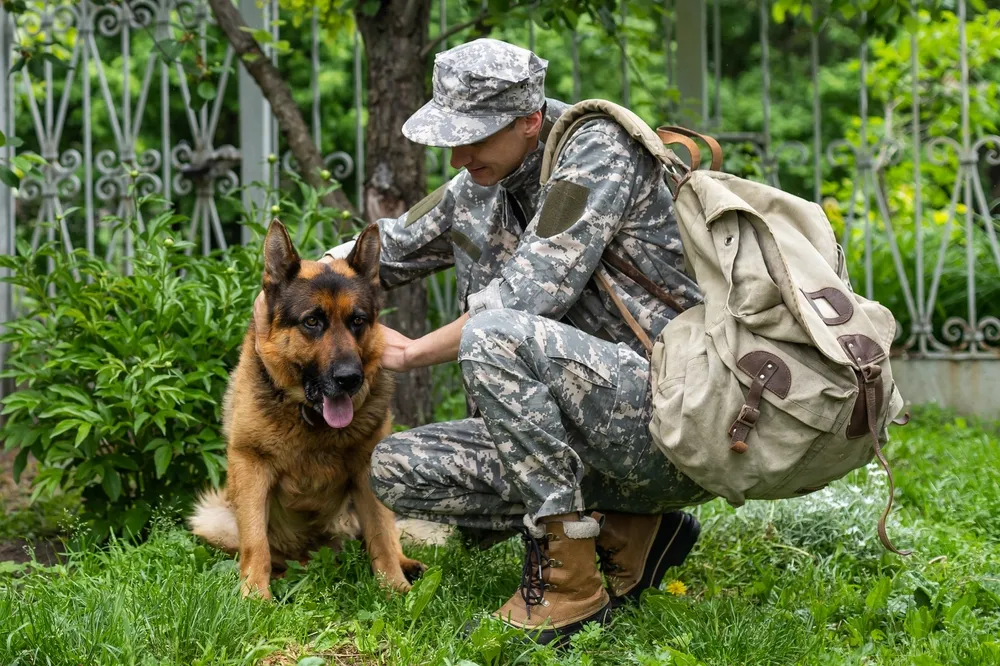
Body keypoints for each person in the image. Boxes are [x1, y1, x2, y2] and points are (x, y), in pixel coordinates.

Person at [252, 38, 714, 645]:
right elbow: (387, 246)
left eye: (473, 136)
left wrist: (413, 351)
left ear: (529, 120)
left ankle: (568, 588)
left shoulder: (598, 155)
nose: (458, 156)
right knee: (394, 469)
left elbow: (522, 301)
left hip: (670, 416)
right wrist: (276, 295)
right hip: (584, 428)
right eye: (452, 136)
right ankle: (627, 531)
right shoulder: (479, 182)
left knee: (492, 333)